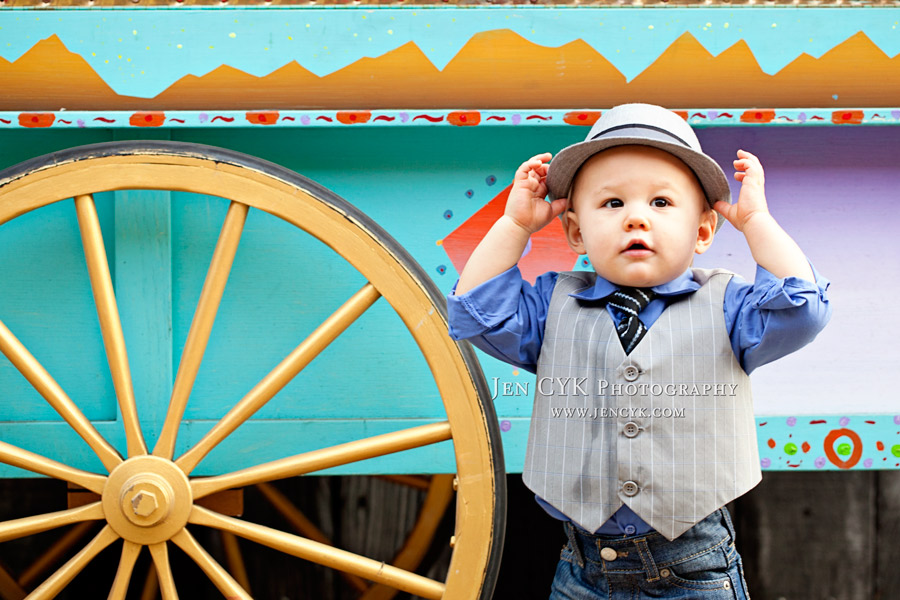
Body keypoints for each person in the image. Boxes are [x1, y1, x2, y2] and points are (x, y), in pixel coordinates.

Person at [447, 103, 831, 598]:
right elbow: (477, 312)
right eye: (611, 204)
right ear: (576, 232)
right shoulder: (551, 305)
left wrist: (755, 220)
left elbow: (804, 309)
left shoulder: (730, 307)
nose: (635, 219)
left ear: (703, 231)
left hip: (694, 565)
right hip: (582, 570)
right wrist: (514, 226)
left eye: (661, 203)